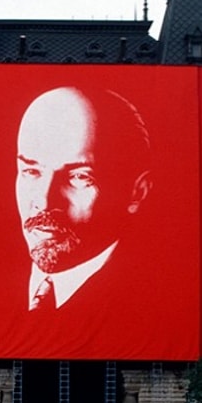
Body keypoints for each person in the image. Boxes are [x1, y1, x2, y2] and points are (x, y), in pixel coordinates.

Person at [15, 85, 152, 312]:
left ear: (137, 192)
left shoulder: (157, 303)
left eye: (79, 177)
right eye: (31, 171)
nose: (46, 202)